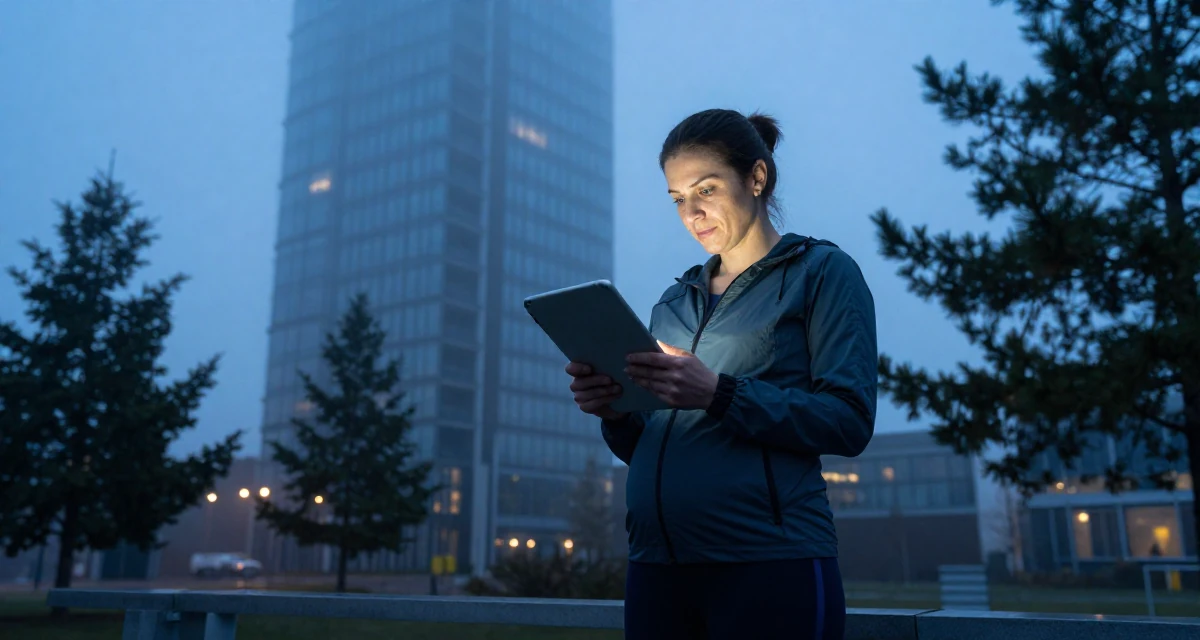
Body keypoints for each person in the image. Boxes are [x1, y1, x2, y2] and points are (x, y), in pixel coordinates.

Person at [565, 108, 877, 640]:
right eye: (678, 199)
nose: (692, 212)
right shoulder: (673, 302)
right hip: (656, 566)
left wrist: (719, 393)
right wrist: (617, 413)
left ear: (756, 178)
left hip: (769, 562)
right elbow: (655, 442)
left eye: (706, 189)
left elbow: (847, 421)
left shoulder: (822, 274)